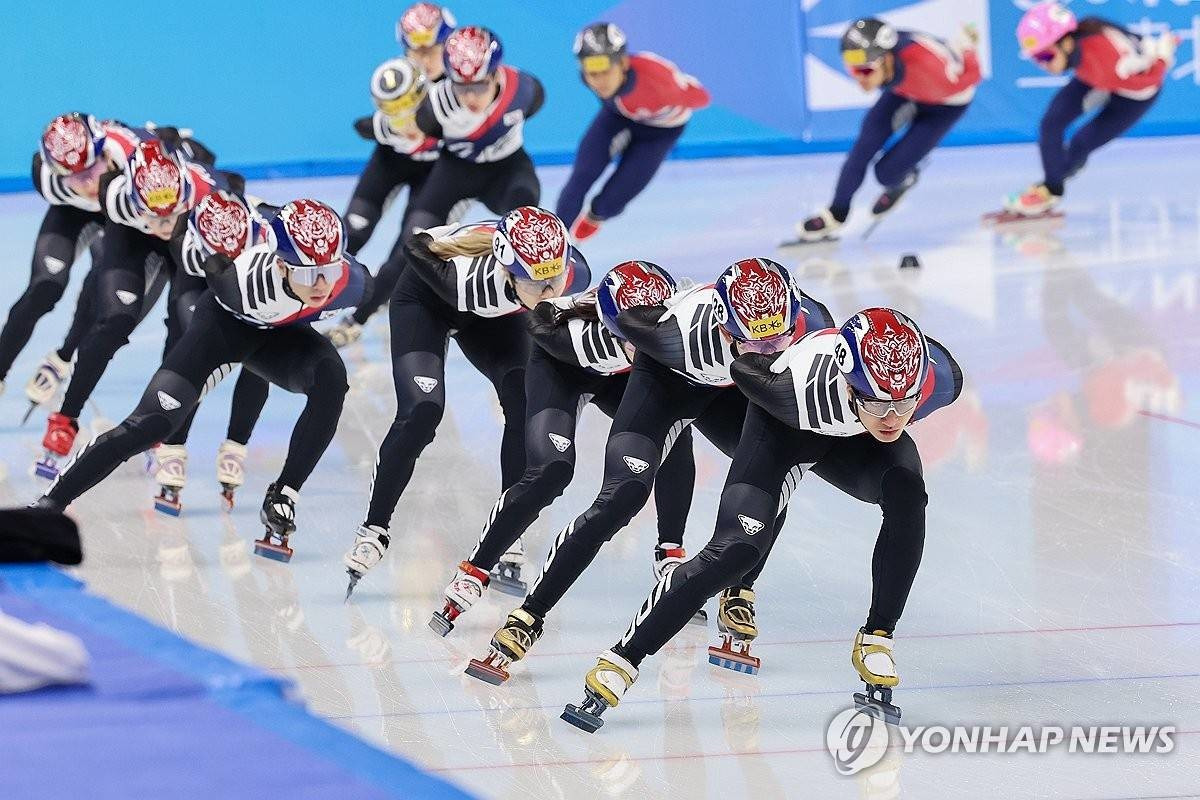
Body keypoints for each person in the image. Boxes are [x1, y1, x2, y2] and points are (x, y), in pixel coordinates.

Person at [560, 308, 964, 733]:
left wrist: (888, 402)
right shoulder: (789, 388)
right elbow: (742, 366)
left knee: (907, 494)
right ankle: (623, 658)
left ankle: (877, 637)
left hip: (857, 442)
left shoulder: (937, 382)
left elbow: (910, 384)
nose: (894, 418)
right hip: (786, 431)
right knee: (735, 550)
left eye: (906, 403)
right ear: (848, 384)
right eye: (880, 403)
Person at [464, 258, 833, 685]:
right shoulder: (668, 330)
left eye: (780, 340)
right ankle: (529, 615)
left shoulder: (813, 323)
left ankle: (740, 588)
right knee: (621, 499)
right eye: (754, 344)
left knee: (773, 473)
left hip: (730, 391)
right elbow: (554, 320)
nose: (769, 353)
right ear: (724, 329)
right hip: (668, 385)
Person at [37, 199, 371, 564]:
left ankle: (284, 494)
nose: (322, 285)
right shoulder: (242, 280)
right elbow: (197, 248)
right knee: (148, 426)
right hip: (226, 328)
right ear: (280, 264)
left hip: (281, 334)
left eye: (328, 270)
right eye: (307, 275)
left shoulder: (352, 282)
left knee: (331, 379)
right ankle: (48, 505)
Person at [428, 261, 702, 635]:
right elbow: (536, 322)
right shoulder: (572, 333)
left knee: (676, 432)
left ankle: (670, 552)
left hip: (620, 379)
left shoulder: (676, 320)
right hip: (563, 372)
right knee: (551, 471)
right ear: (612, 328)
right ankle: (475, 569)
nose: (645, 347)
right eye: (633, 339)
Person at [342, 207, 588, 597]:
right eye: (536, 283)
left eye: (554, 279)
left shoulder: (570, 271)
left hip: (494, 315)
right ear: (508, 271)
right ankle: (374, 527)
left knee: (524, 404)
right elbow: (414, 247)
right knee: (423, 411)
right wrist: (444, 237)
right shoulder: (468, 279)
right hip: (428, 303)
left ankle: (510, 530)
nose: (549, 293)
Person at [34, 138, 235, 479]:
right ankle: (65, 419)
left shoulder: (208, 195)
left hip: (190, 239)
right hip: (132, 238)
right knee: (114, 321)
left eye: (170, 213)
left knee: (189, 334)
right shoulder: (114, 195)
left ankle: (165, 433)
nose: (163, 224)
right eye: (154, 215)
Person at [3, 115, 179, 413]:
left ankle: (64, 357)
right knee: (43, 288)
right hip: (74, 212)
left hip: (126, 219)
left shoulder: (134, 163)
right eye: (72, 175)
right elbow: (72, 180)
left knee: (108, 294)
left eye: (90, 169)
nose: (85, 183)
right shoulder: (47, 178)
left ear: (104, 153)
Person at [794, 18, 981, 243]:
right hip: (903, 92)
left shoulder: (931, 68)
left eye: (865, 71)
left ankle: (906, 179)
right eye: (852, 70)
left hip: (945, 107)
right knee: (863, 148)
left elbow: (973, 75)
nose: (859, 79)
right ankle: (836, 213)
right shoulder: (885, 58)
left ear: (887, 59)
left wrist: (967, 46)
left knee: (886, 174)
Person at [997, 2, 1174, 219]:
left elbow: (1152, 79)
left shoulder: (1109, 63)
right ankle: (1050, 188)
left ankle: (1050, 190)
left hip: (1134, 95)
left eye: (1045, 56)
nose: (1043, 65)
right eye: (1036, 58)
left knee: (1081, 143)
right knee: (1051, 123)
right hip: (1095, 78)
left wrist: (1162, 58)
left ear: (1066, 44)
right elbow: (1129, 35)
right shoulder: (1086, 34)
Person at [326, 57, 447, 348]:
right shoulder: (386, 120)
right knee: (349, 235)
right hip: (391, 160)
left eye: (412, 113)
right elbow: (362, 126)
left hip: (438, 172)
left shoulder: (451, 103)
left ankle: (356, 321)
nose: (406, 124)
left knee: (408, 252)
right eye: (395, 115)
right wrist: (386, 126)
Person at [555, 22, 709, 242]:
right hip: (617, 117)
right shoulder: (588, 77)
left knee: (610, 203)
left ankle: (594, 218)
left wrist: (684, 86)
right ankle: (554, 242)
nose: (599, 81)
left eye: (605, 72)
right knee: (580, 179)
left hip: (660, 133)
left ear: (624, 63)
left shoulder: (659, 83)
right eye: (592, 73)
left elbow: (702, 97)